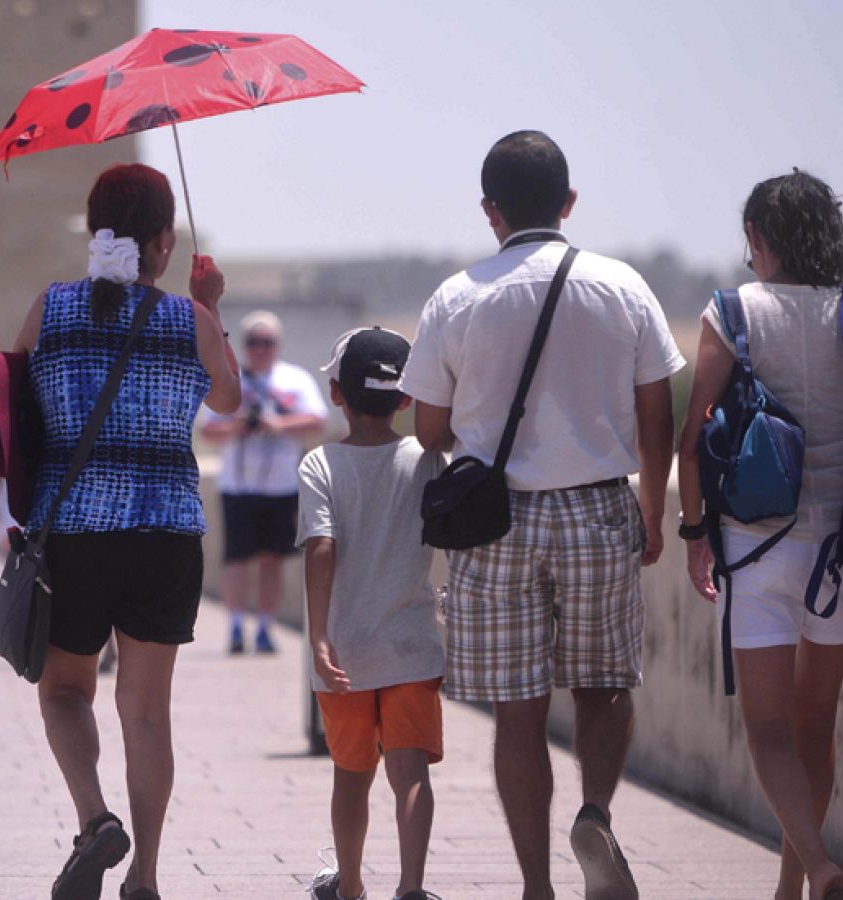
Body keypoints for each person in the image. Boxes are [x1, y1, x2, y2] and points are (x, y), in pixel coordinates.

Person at [399, 131, 682, 900]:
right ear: (569, 203)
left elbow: (427, 430)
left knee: (517, 711)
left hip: (496, 522)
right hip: (598, 507)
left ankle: (535, 886)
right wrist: (652, 511)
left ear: (490, 211)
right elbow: (658, 417)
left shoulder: (458, 296)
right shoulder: (621, 286)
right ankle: (593, 811)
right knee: (604, 685)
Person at [677, 170, 843, 900]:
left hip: (756, 544)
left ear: (760, 240)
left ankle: (821, 867)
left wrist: (695, 532)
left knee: (767, 729)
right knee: (815, 722)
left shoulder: (733, 311)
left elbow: (693, 433)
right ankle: (792, 886)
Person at [10, 163, 240, 900]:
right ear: (164, 242)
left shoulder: (52, 309)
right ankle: (145, 877)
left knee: (65, 695)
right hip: (166, 536)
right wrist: (207, 307)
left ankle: (95, 819)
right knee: (146, 710)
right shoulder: (188, 320)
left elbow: (10, 398)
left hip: (73, 531)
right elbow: (231, 400)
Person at [300, 327, 447, 900]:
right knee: (411, 775)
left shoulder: (320, 464)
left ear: (336, 393)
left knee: (351, 775)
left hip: (346, 651)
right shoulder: (429, 459)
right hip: (411, 644)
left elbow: (320, 547)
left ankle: (352, 887)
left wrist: (318, 639)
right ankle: (411, 889)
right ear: (407, 398)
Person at [199, 310, 327, 655]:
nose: (260, 349)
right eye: (253, 342)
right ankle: (237, 626)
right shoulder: (231, 380)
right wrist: (238, 426)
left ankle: (266, 628)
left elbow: (318, 419)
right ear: (244, 345)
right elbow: (208, 427)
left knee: (272, 559)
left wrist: (278, 424)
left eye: (267, 342)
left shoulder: (295, 380)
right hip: (238, 485)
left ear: (277, 345)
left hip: (281, 485)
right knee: (237, 560)